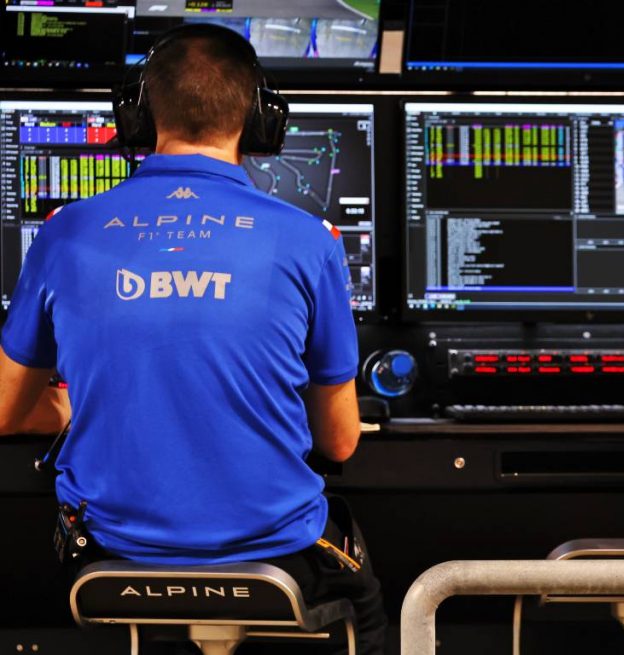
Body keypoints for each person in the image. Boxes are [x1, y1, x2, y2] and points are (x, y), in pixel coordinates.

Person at [0, 24, 386, 654]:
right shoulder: (309, 240)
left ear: (138, 115)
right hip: (278, 563)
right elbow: (338, 439)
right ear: (260, 118)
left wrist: (70, 407)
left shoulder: (64, 233)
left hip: (112, 565)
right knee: (367, 603)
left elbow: (6, 410)